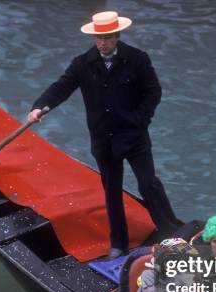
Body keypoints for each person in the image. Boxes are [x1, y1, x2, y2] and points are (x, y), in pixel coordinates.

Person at [28, 11, 180, 259]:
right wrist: (39, 106)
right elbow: (62, 87)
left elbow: (153, 92)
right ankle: (118, 243)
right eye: (99, 38)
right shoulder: (82, 64)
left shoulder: (137, 59)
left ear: (117, 35)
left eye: (107, 38)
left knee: (149, 184)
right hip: (103, 139)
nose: (103, 43)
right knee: (112, 192)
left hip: (135, 136)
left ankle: (170, 232)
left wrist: (141, 119)